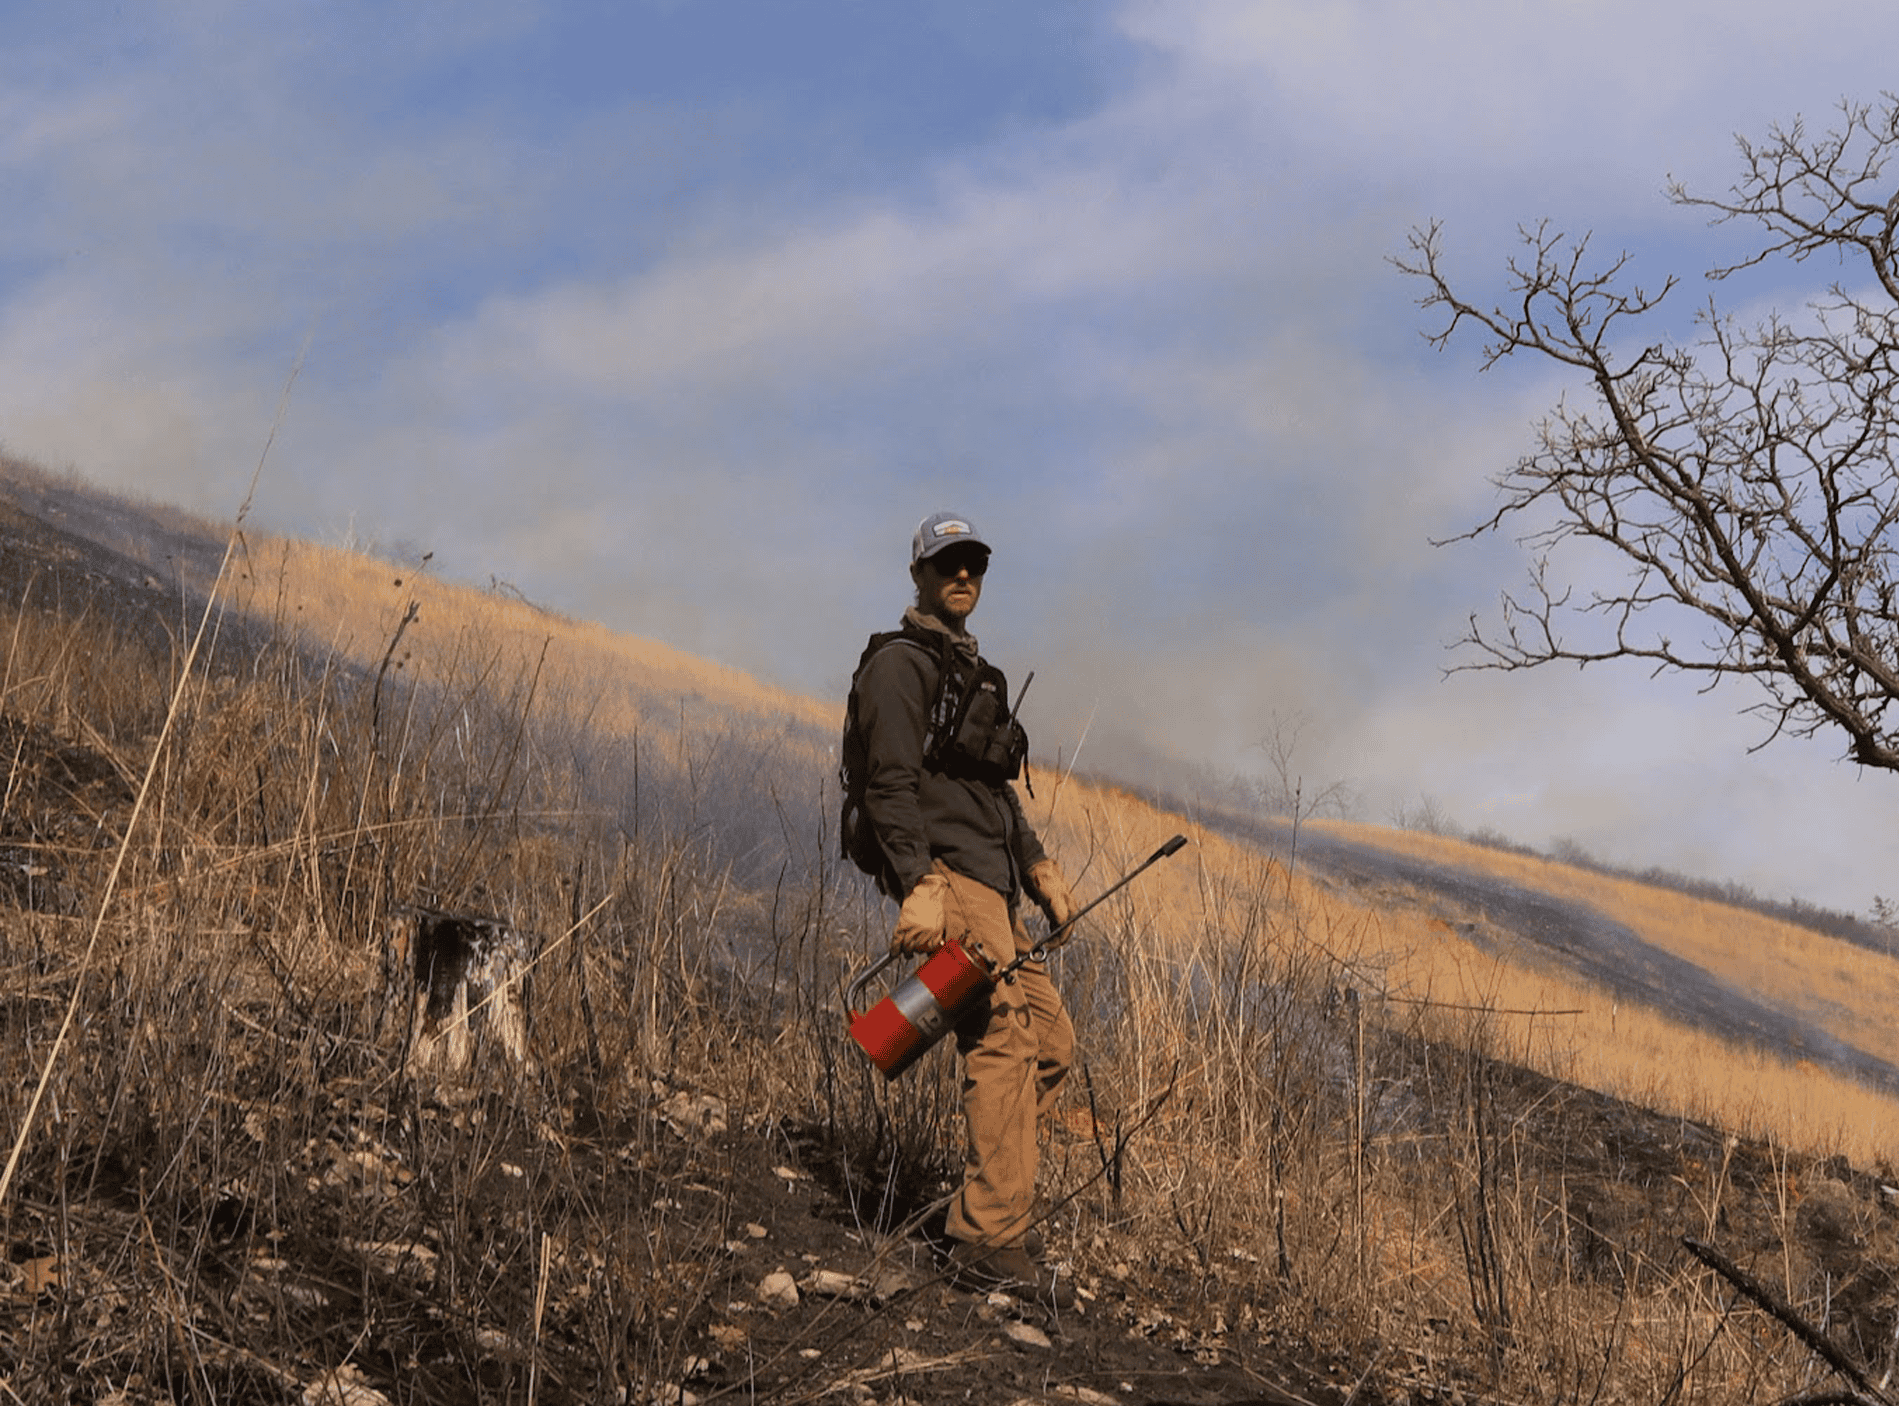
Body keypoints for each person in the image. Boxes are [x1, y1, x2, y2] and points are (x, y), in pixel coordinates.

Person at [849, 510, 1080, 1309]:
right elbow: (886, 785)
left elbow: (993, 791)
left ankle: (984, 1209)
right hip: (948, 877)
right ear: (917, 573)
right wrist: (918, 881)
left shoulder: (971, 673)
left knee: (1050, 1044)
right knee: (1004, 1038)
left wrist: (1038, 866)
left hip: (994, 881)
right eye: (947, 563)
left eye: (973, 564)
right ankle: (986, 1238)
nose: (962, 576)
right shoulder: (899, 666)